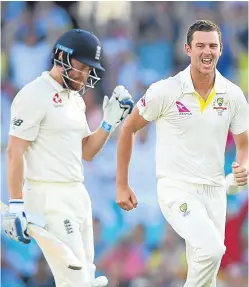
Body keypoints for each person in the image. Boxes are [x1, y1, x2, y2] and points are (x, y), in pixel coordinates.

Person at [116, 20, 248, 287]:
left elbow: (244, 144)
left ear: (221, 49)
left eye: (212, 45)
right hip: (177, 189)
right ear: (188, 49)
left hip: (215, 192)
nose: (206, 52)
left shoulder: (233, 95)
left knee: (207, 273)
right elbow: (128, 127)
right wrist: (121, 184)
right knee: (211, 250)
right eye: (200, 45)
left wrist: (241, 166)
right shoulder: (165, 91)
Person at [3, 29, 134, 287]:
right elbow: (14, 151)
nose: (85, 74)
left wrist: (109, 122)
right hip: (48, 195)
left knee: (86, 276)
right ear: (62, 57)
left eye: (90, 69)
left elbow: (86, 151)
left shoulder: (76, 100)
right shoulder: (33, 94)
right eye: (82, 67)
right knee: (76, 279)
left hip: (77, 193)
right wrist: (16, 202)